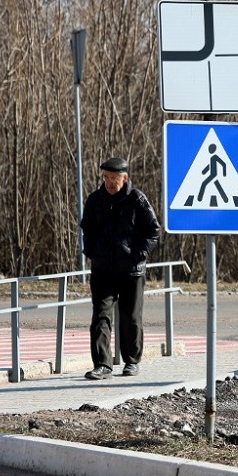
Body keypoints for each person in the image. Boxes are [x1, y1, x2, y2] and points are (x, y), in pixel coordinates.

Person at [80, 157, 160, 380]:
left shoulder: (137, 199)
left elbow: (153, 231)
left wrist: (139, 254)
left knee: (130, 317)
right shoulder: (95, 200)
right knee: (100, 316)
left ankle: (131, 361)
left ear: (125, 179)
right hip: (103, 270)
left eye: (114, 178)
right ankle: (102, 365)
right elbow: (87, 228)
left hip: (131, 271)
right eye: (106, 177)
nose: (109, 182)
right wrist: (92, 253)